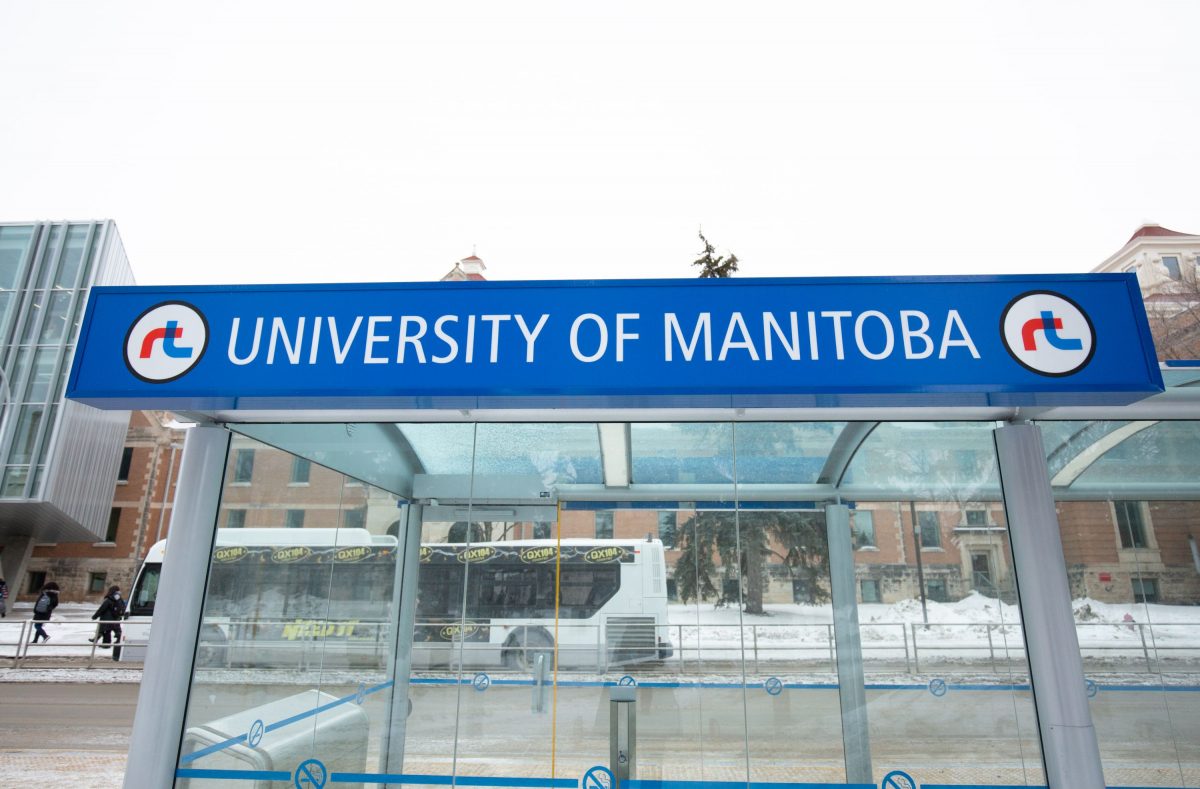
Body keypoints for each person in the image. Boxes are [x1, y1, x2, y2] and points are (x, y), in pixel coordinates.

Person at [89, 585, 125, 652]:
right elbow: (123, 607)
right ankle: (117, 640)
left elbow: (101, 609)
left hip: (107, 618)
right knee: (115, 630)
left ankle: (106, 644)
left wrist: (94, 616)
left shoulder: (109, 599)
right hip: (116, 618)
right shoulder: (119, 598)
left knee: (106, 631)